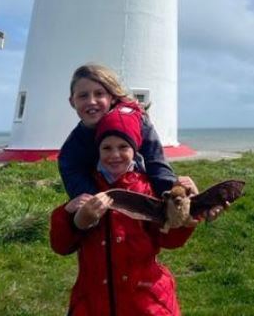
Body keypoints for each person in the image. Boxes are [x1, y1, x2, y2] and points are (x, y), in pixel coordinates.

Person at [50, 103, 198, 316]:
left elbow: (170, 241)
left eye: (123, 147)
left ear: (136, 149)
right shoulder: (86, 190)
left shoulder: (149, 189)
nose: (115, 154)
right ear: (97, 150)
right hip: (93, 304)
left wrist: (186, 211)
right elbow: (61, 246)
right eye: (106, 148)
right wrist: (68, 216)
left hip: (146, 304)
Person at [59, 63, 196, 200]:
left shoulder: (139, 124)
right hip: (103, 209)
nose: (92, 101)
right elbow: (83, 195)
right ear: (72, 102)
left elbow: (157, 168)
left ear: (112, 97)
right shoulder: (70, 152)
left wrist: (176, 195)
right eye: (83, 96)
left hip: (146, 201)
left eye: (99, 93)